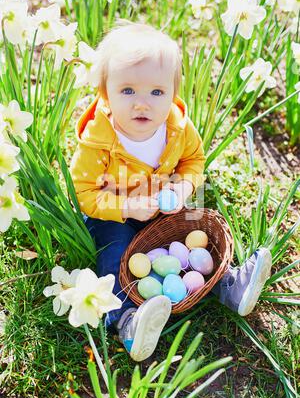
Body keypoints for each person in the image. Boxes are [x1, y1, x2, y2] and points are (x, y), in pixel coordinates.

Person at [70, 21, 272, 362]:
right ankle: (126, 321)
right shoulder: (98, 141)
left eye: (156, 92)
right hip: (113, 213)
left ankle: (228, 285)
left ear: (173, 93)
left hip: (164, 200)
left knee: (199, 224)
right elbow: (85, 194)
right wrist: (127, 208)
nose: (142, 104)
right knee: (114, 251)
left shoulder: (178, 128)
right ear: (105, 94)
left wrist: (183, 186)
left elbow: (194, 160)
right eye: (128, 91)